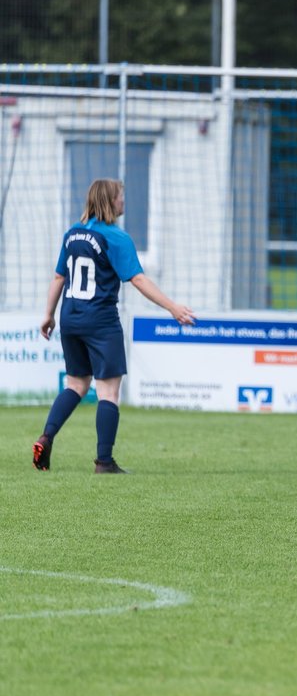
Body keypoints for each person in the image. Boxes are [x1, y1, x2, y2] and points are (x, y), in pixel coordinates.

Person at [33, 178, 196, 474]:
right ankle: (104, 462)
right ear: (110, 202)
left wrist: (48, 314)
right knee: (108, 393)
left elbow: (59, 277)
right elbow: (138, 279)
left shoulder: (72, 234)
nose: (124, 201)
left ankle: (46, 437)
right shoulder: (117, 238)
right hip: (100, 321)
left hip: (70, 317)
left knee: (76, 384)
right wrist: (173, 307)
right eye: (121, 196)